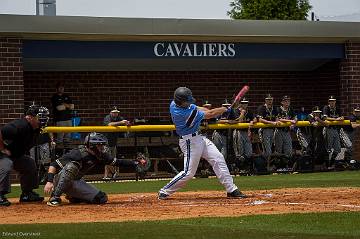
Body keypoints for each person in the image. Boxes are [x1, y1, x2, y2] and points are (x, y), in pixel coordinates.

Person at [158, 87, 246, 199]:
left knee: (218, 158)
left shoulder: (175, 104)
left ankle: (231, 189)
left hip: (199, 138)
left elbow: (200, 108)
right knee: (188, 173)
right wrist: (225, 109)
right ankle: (165, 191)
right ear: (180, 101)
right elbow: (210, 114)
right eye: (187, 101)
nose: (189, 102)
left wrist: (225, 108)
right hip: (190, 141)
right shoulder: (184, 113)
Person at [44, 132, 149, 206]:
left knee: (101, 198)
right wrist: (49, 182)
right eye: (100, 145)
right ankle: (55, 197)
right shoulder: (78, 153)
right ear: (92, 145)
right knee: (72, 166)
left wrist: (136, 163)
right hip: (58, 180)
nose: (102, 148)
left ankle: (74, 197)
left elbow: (117, 162)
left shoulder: (99, 155)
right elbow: (54, 164)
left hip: (74, 181)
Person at [0, 104, 50, 206]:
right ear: (29, 117)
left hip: (15, 155)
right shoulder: (19, 126)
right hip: (2, 154)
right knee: (6, 165)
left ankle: (27, 194)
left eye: (44, 117)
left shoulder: (36, 129)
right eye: (39, 117)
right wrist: (2, 149)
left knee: (29, 163)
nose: (42, 120)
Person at [103, 106, 131, 180]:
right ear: (110, 113)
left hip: (113, 142)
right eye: (114, 112)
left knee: (112, 160)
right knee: (107, 159)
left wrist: (127, 123)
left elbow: (126, 123)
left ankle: (107, 176)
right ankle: (111, 173)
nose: (115, 114)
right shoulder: (107, 117)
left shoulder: (119, 118)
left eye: (117, 113)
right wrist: (121, 122)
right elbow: (109, 124)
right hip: (105, 142)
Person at [274, 96, 297, 168]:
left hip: (287, 132)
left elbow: (295, 117)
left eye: (288, 101)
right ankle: (278, 167)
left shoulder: (291, 109)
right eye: (285, 101)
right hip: (279, 131)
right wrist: (290, 121)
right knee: (279, 150)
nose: (287, 102)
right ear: (282, 102)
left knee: (289, 150)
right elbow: (278, 119)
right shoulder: (278, 109)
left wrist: (293, 123)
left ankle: (286, 166)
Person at [232, 98, 255, 171]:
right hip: (238, 132)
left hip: (246, 132)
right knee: (239, 153)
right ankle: (239, 169)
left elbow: (255, 118)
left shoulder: (249, 111)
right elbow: (239, 121)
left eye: (246, 103)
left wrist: (252, 121)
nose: (244, 104)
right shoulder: (236, 111)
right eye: (243, 103)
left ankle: (247, 169)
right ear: (240, 103)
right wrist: (242, 113)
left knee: (249, 153)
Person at [322, 96, 344, 169]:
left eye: (333, 101)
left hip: (335, 129)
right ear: (328, 102)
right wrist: (336, 119)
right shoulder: (326, 108)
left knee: (338, 149)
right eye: (331, 101)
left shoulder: (337, 108)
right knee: (328, 148)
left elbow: (342, 117)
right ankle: (327, 165)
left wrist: (341, 118)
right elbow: (325, 118)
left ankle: (331, 162)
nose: (332, 102)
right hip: (328, 129)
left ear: (335, 101)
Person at [257, 94, 279, 161]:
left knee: (272, 150)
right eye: (268, 99)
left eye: (271, 99)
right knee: (267, 151)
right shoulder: (261, 108)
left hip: (273, 130)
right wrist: (272, 123)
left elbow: (277, 118)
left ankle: (268, 166)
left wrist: (277, 121)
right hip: (264, 130)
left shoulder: (275, 108)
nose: (269, 101)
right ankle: (265, 167)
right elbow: (260, 119)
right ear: (265, 100)